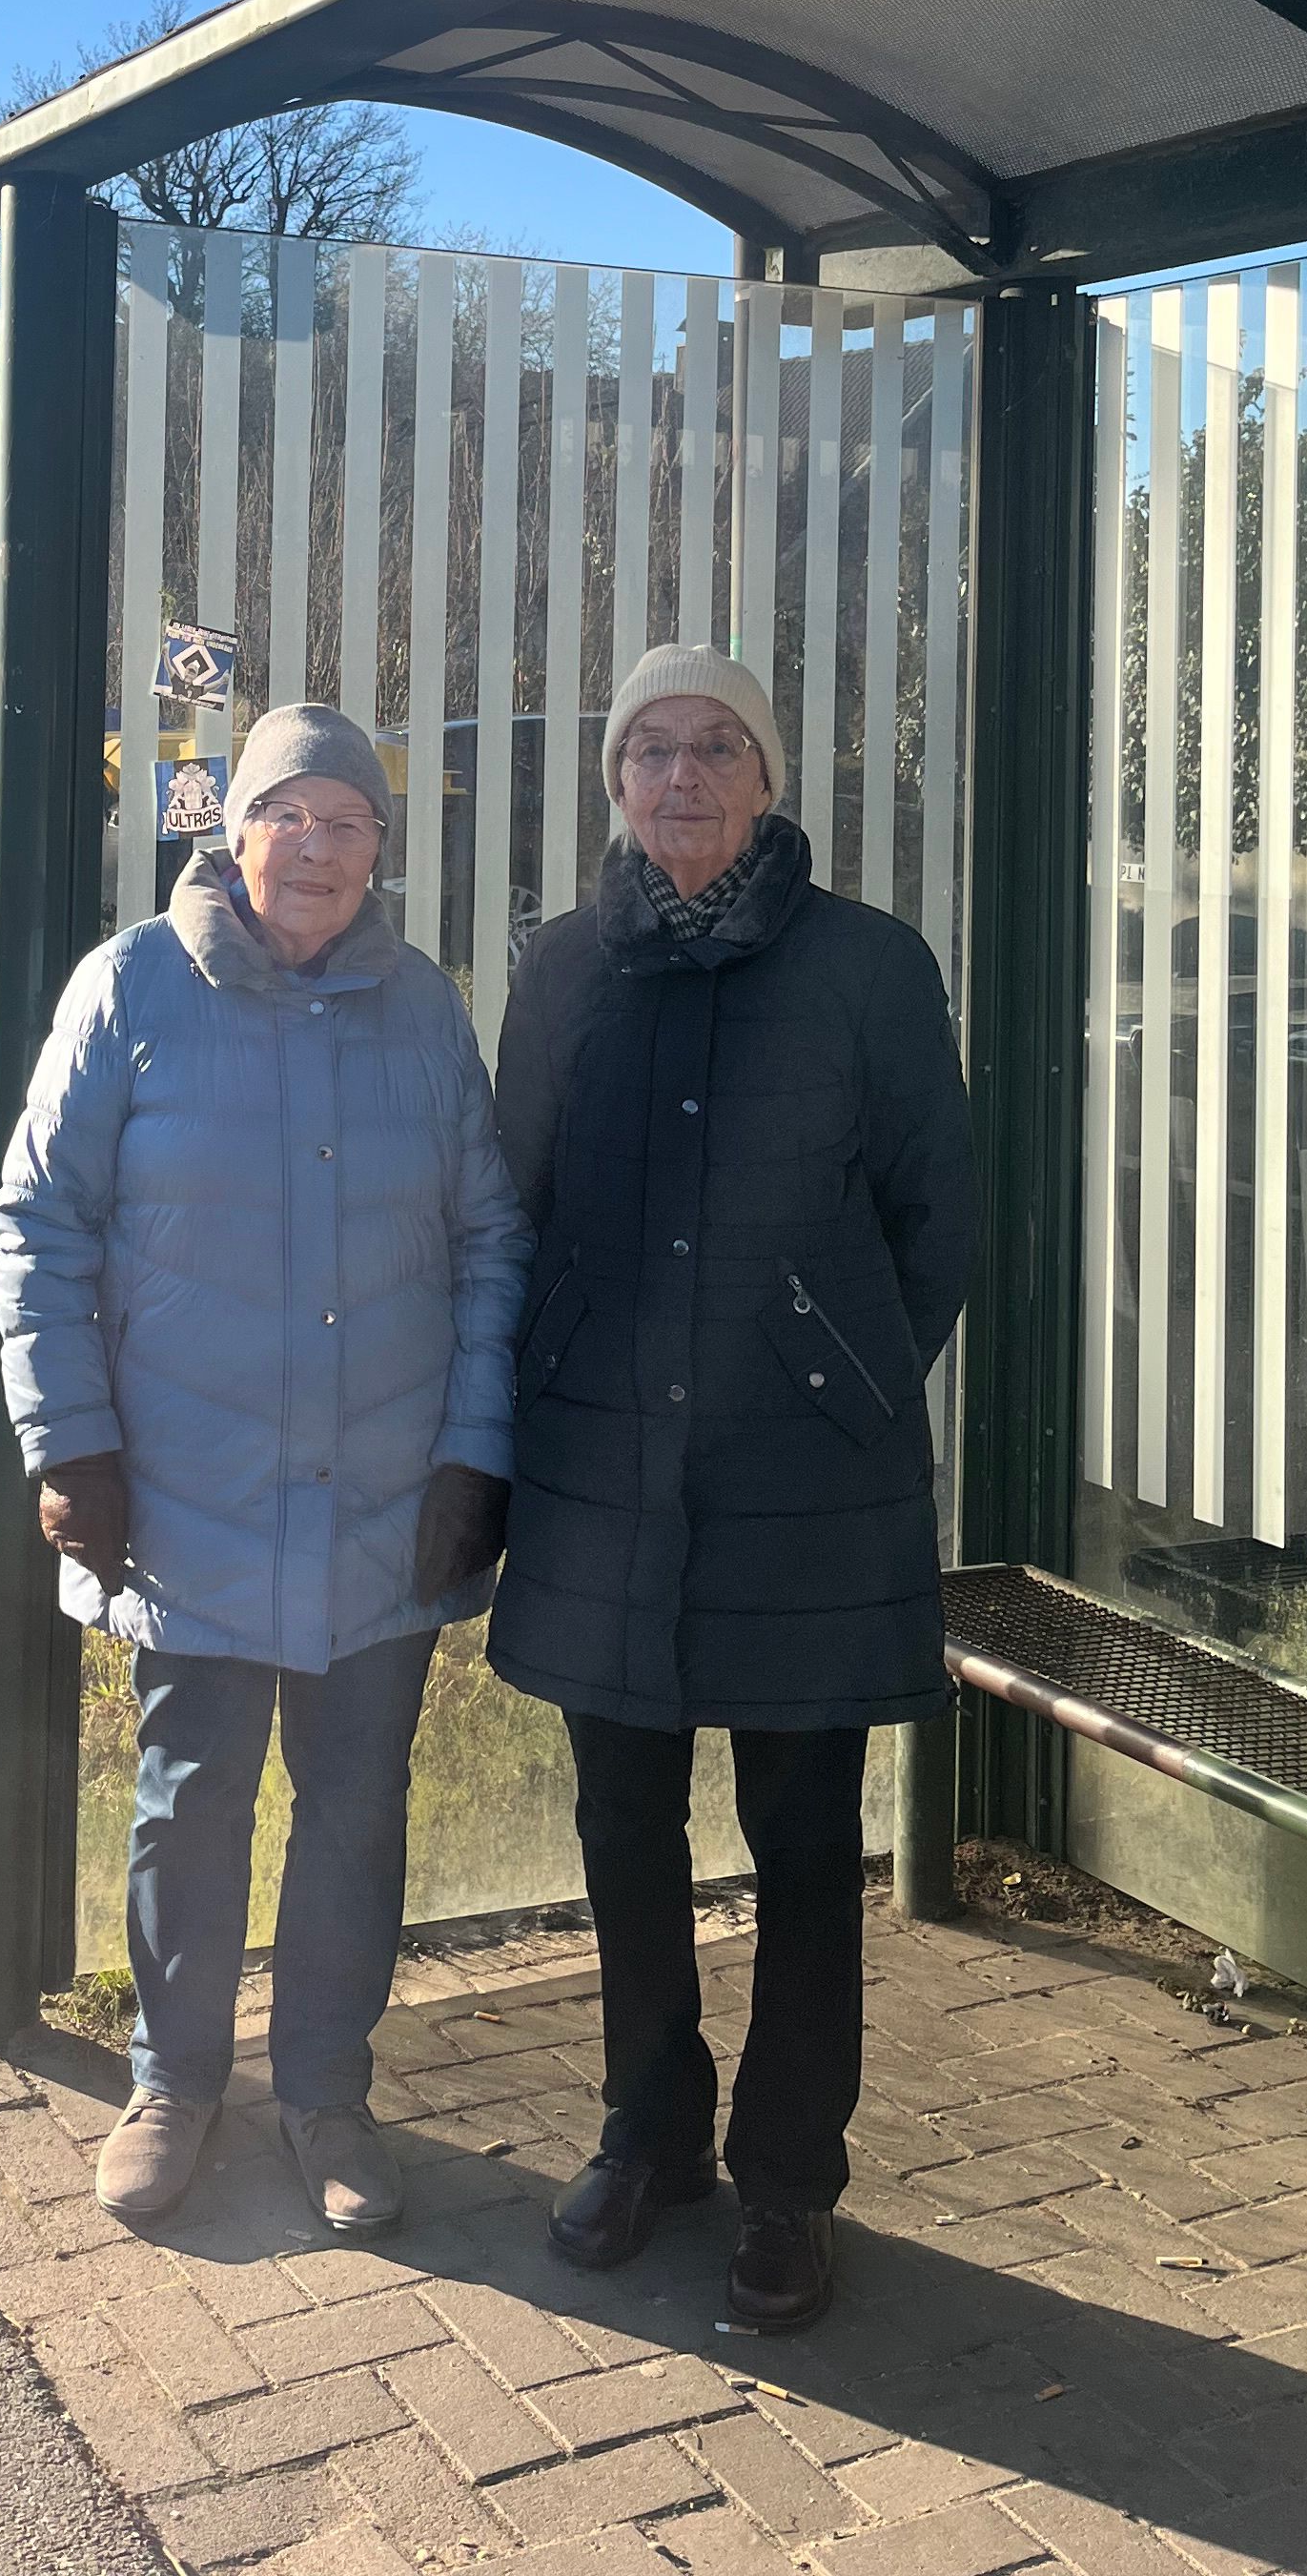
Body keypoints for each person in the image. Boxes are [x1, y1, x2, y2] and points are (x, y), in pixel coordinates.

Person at [0, 703, 530, 2235]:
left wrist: (473, 1456)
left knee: (357, 1806)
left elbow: (492, 1241)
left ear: (378, 854)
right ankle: (176, 2086)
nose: (315, 847)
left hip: (381, 1507)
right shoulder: (133, 990)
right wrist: (70, 1441)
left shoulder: (423, 1012)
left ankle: (327, 2095)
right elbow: (37, 1226)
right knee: (191, 1798)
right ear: (231, 833)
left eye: (346, 824)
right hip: (187, 1501)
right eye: (286, 816)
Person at [489, 645, 975, 2332]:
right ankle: (649, 2131)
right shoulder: (562, 971)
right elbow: (520, 1211)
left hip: (805, 1493)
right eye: (648, 749)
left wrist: (831, 1379)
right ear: (613, 781)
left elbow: (942, 1221)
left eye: (716, 748)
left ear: (769, 778)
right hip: (601, 1478)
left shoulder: (871, 970)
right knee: (623, 1828)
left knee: (803, 1841)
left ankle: (786, 2179)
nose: (681, 777)